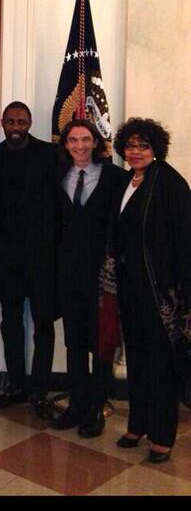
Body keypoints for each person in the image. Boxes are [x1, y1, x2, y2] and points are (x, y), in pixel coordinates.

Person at [108, 118, 191, 463]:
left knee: (160, 364)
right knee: (137, 358)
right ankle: (137, 423)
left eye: (143, 145)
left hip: (161, 292)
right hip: (130, 286)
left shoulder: (170, 183)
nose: (136, 151)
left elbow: (186, 243)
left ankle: (161, 435)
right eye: (130, 145)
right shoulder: (127, 180)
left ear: (155, 147)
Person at [0, 101, 57, 418]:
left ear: (30, 123)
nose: (15, 128)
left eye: (21, 122)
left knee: (43, 323)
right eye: (10, 122)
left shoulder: (50, 155)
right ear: (2, 123)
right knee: (10, 322)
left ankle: (39, 389)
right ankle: (16, 385)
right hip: (5, 255)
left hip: (40, 255)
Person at [51, 119, 126, 437]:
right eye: (72, 140)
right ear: (65, 144)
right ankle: (77, 405)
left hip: (103, 275)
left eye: (85, 139)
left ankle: (97, 408)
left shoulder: (115, 177)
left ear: (96, 142)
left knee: (102, 343)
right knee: (75, 342)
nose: (79, 145)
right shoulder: (58, 176)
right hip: (68, 273)